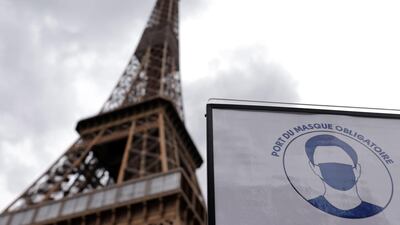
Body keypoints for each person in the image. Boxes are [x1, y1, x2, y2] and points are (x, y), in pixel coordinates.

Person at [305, 134, 383, 218]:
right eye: (328, 167)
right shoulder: (305, 210)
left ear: (357, 170)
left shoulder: (376, 213)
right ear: (314, 169)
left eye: (344, 167)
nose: (336, 172)